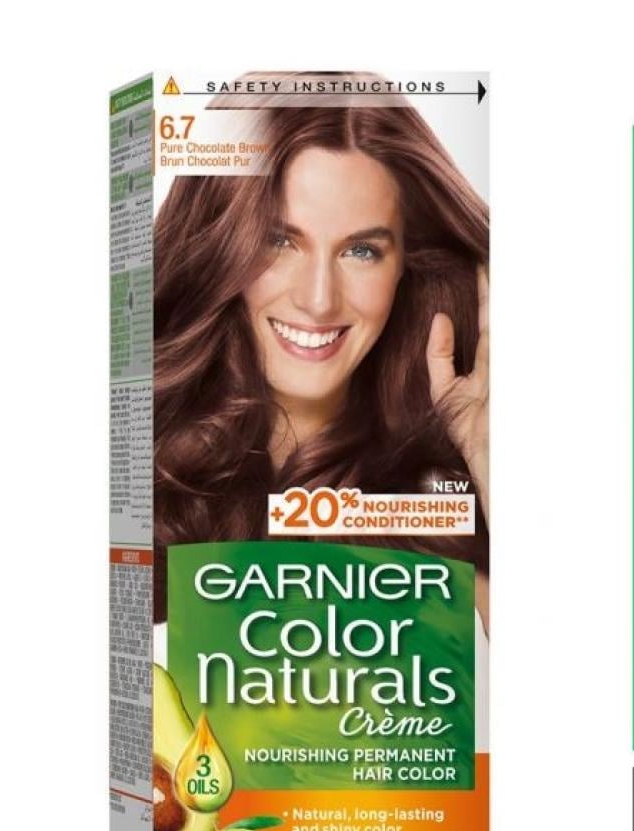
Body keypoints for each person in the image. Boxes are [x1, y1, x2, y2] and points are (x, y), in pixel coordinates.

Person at [153, 87, 489, 629]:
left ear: (407, 267)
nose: (318, 300)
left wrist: (488, 463)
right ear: (219, 246)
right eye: (279, 241)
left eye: (361, 251)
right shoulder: (140, 475)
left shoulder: (445, 513)